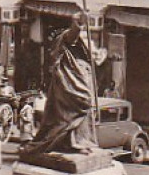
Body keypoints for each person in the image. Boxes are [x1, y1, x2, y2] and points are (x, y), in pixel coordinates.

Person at [28, 9, 97, 154]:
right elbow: (70, 36)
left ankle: (79, 141)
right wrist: (77, 24)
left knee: (84, 109)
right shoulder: (65, 41)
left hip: (80, 77)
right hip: (68, 81)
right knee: (79, 104)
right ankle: (72, 142)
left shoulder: (84, 53)